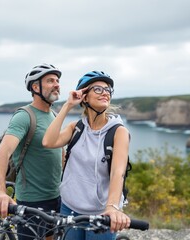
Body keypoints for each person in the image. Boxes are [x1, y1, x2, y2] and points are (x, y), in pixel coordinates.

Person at [42, 71, 131, 240]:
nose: (105, 92)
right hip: (69, 208)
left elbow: (117, 172)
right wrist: (68, 105)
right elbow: (48, 141)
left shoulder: (118, 132)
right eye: (97, 89)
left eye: (107, 90)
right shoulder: (76, 127)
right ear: (84, 97)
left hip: (101, 213)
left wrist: (112, 207)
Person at [0, 63, 63, 240]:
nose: (57, 84)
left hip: (57, 197)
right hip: (32, 201)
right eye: (50, 80)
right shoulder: (25, 116)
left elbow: (60, 153)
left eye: (58, 80)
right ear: (35, 87)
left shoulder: (54, 115)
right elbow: (2, 152)